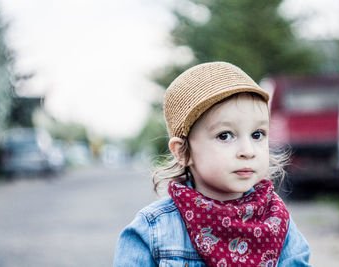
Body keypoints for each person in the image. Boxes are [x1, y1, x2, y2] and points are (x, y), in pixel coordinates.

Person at [113, 62, 311, 267]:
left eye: (257, 134)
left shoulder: (277, 220)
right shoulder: (153, 229)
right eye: (225, 136)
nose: (248, 151)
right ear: (182, 152)